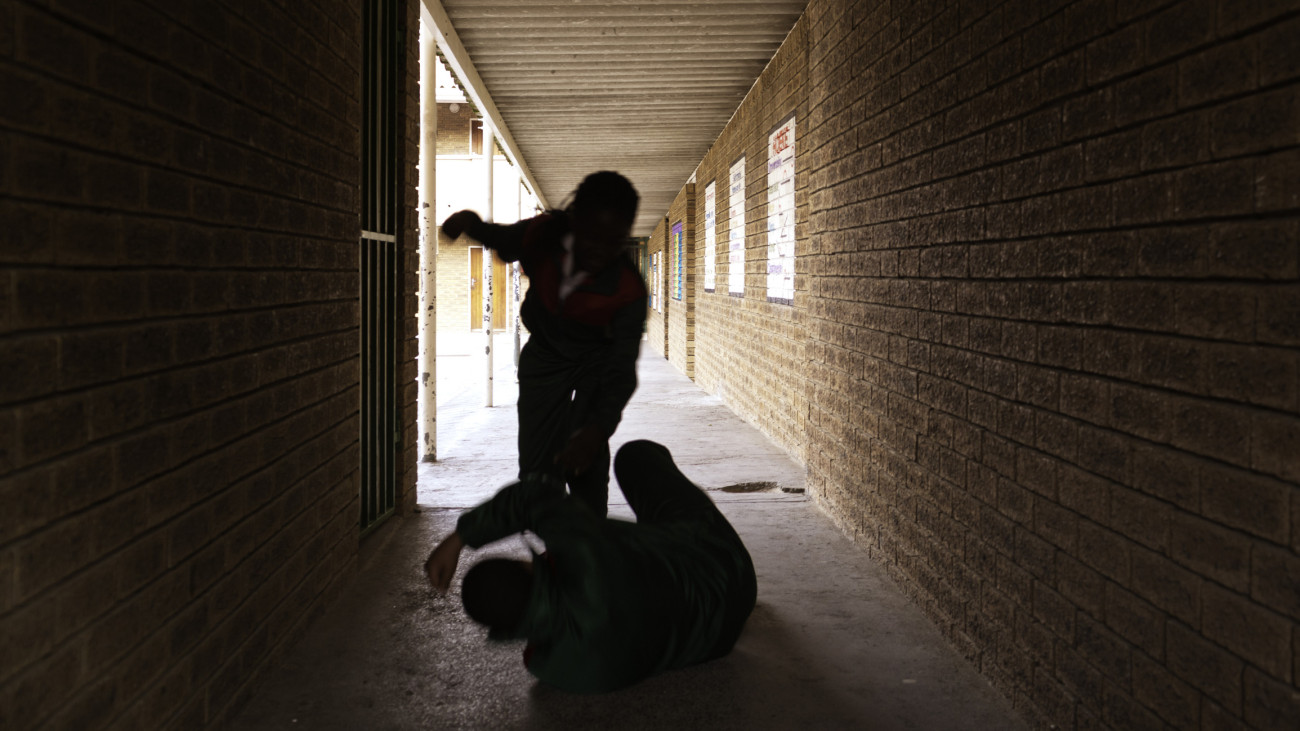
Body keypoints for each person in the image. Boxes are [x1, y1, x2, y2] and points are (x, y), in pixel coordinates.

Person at [424, 440, 758, 694]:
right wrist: (457, 539)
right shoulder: (583, 551)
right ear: (526, 568)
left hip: (717, 641)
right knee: (636, 456)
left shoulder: (551, 668)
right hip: (722, 566)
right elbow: (532, 500)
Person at [441, 171, 647, 518]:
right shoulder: (543, 234)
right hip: (547, 354)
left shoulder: (626, 288)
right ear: (574, 220)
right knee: (537, 462)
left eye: (614, 241)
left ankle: (587, 532)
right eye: (593, 236)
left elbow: (621, 371)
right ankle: (544, 524)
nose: (600, 250)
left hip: (596, 360)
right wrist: (468, 222)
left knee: (586, 455)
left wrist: (594, 431)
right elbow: (501, 238)